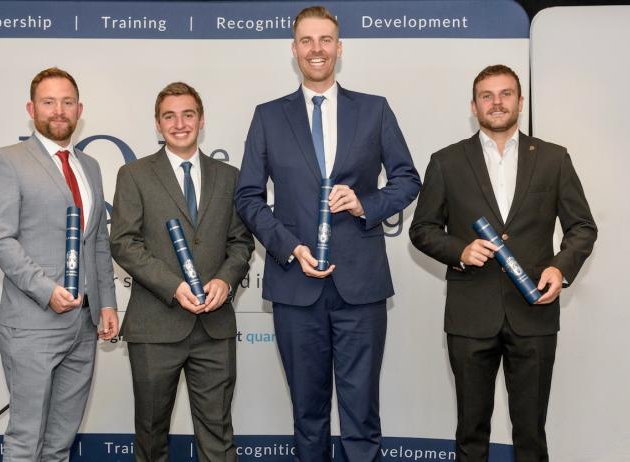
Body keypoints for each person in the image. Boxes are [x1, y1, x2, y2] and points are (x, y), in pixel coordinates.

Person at [235, 6, 421, 461]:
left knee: (361, 414)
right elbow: (247, 198)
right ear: (294, 49)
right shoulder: (268, 116)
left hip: (361, 286)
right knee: (308, 413)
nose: (316, 49)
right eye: (306, 41)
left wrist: (365, 204)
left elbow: (407, 179)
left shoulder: (374, 110)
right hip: (295, 285)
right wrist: (288, 247)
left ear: (339, 48)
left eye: (325, 40)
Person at [409, 64, 597, 461]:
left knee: (531, 432)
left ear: (520, 101)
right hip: (470, 315)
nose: (497, 103)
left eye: (506, 94)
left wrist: (560, 268)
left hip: (534, 312)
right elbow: (422, 229)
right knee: (470, 432)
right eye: (487, 96)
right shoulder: (446, 161)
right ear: (473, 107)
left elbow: (582, 227)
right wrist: (459, 251)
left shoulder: (553, 158)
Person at [110, 82, 254, 462]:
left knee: (218, 437)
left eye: (188, 114)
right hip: (156, 326)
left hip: (214, 327)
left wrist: (225, 278)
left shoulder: (229, 176)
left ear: (201, 120)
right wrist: (174, 287)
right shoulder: (134, 174)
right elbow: (124, 243)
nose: (179, 123)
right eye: (169, 116)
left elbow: (241, 242)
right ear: (157, 125)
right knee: (152, 438)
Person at [0, 67, 118, 461]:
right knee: (26, 440)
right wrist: (46, 290)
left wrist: (107, 302)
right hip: (33, 324)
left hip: (84, 325)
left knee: (60, 442)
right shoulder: (7, 161)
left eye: (67, 102)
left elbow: (98, 242)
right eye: (48, 102)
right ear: (31, 109)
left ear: (80, 110)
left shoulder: (88, 166)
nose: (59, 110)